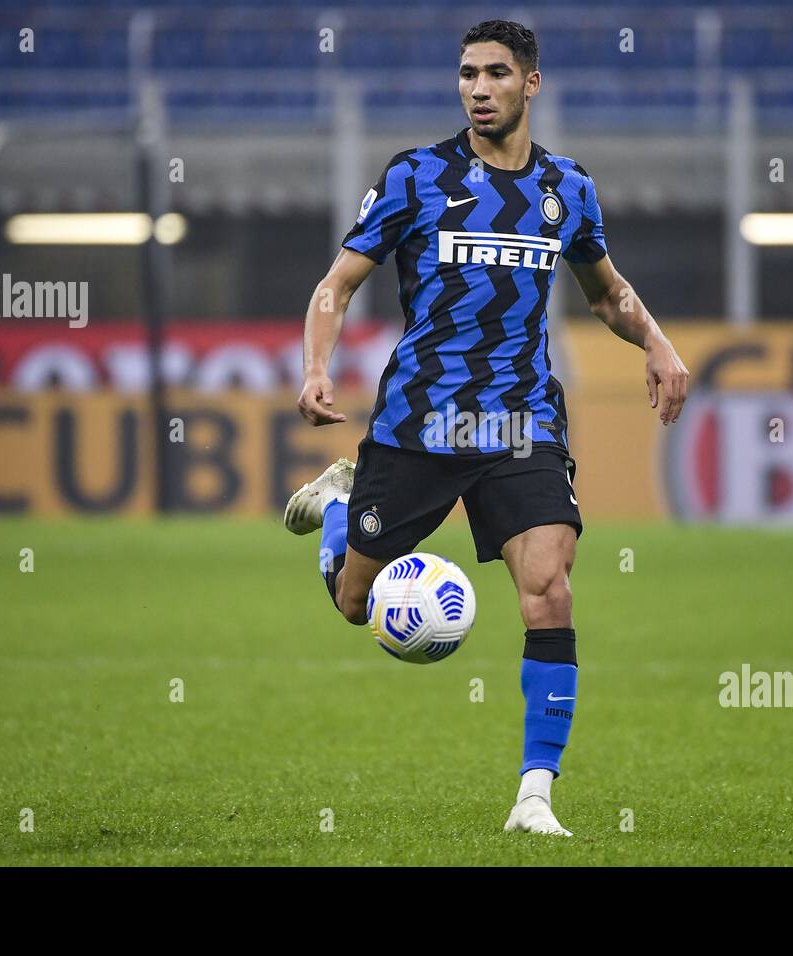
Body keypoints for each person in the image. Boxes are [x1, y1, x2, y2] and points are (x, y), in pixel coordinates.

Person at [284, 19, 689, 836]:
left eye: (497, 73)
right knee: (354, 602)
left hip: (520, 422)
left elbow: (605, 293)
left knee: (548, 587)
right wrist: (317, 367)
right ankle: (340, 507)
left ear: (529, 84)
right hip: (418, 426)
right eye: (468, 73)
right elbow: (336, 285)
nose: (478, 87)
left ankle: (535, 795)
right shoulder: (416, 176)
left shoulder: (567, 189)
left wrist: (656, 341)